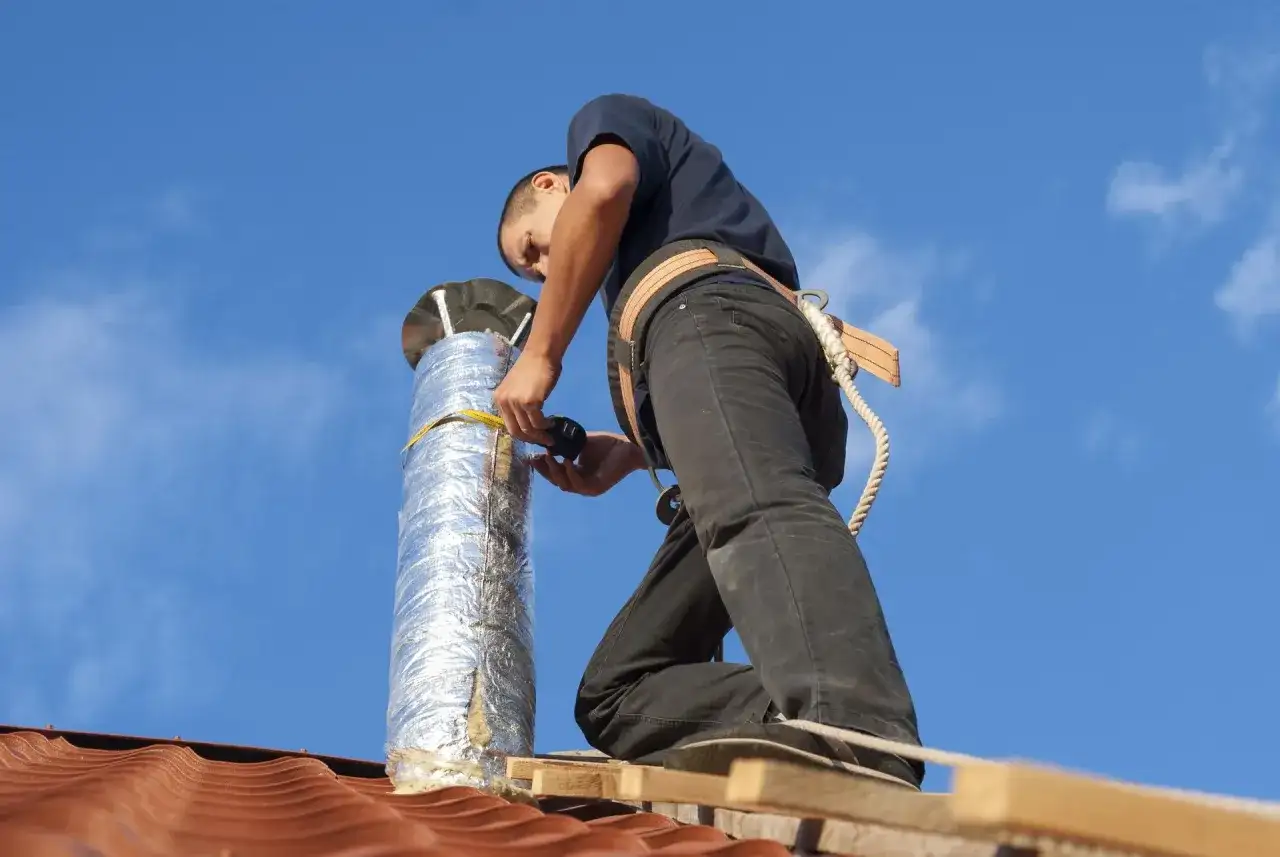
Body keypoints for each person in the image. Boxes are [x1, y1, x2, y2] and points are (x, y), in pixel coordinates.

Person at [492, 93, 925, 788]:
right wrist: (634, 452)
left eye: (534, 248)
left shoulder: (602, 126)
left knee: (755, 515)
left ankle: (858, 732)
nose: (545, 270)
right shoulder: (640, 283)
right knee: (617, 692)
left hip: (714, 319)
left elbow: (602, 193)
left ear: (550, 185)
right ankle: (798, 723)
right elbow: (728, 404)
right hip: (740, 376)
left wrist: (542, 353)